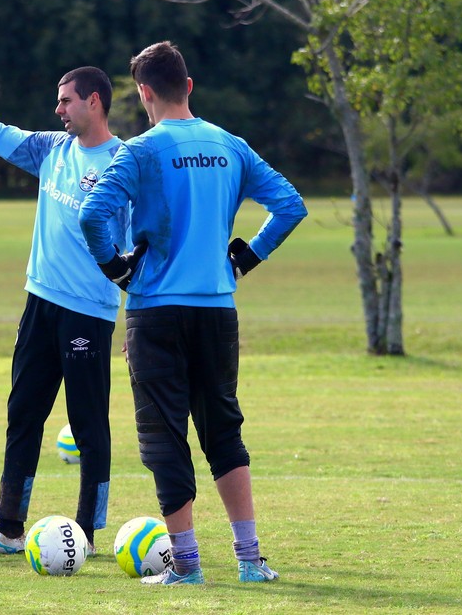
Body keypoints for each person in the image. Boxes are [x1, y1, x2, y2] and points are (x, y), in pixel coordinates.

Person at [79, 41, 308, 585]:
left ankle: (186, 566)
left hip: (156, 312)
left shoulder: (139, 152)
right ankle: (250, 562)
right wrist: (248, 255)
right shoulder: (230, 146)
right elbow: (291, 205)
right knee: (223, 431)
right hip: (217, 311)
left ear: (144, 93)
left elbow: (93, 216)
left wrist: (116, 267)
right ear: (190, 86)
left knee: (163, 438)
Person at [0, 67, 130, 555]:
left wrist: (133, 316)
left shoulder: (122, 164)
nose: (58, 109)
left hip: (89, 314)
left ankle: (88, 535)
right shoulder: (52, 148)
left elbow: (138, 246)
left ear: (93, 102)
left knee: (90, 424)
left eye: (66, 101)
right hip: (40, 304)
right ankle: (9, 529)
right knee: (23, 415)